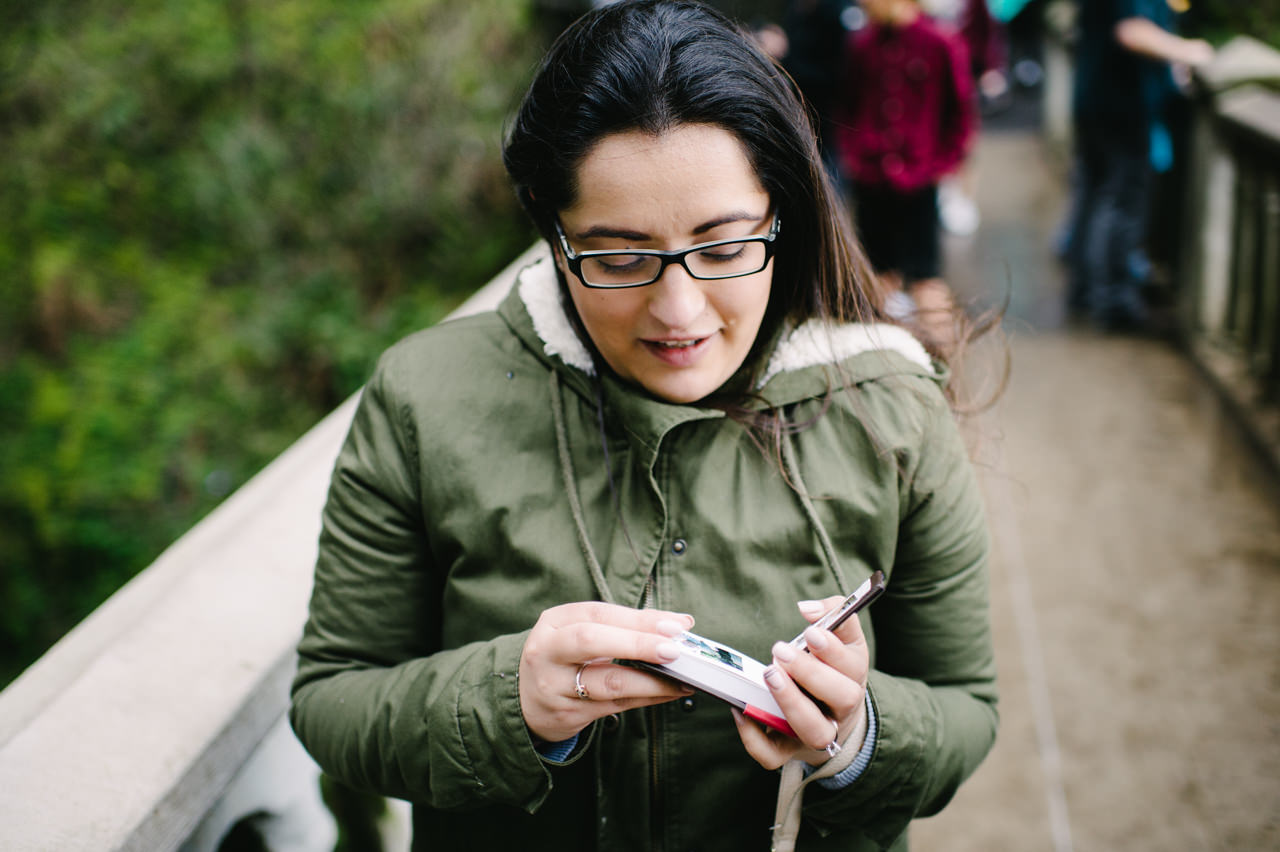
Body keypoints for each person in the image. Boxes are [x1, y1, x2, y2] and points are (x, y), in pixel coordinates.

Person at [289, 2, 997, 850]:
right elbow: (331, 698)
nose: (678, 310)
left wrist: (859, 735)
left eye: (725, 247)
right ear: (552, 233)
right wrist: (507, 700)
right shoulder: (426, 396)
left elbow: (966, 703)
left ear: (784, 213)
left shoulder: (892, 403)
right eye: (620, 256)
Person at [834, 0, 976, 349]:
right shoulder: (861, 44)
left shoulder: (940, 42)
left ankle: (943, 363)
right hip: (871, 178)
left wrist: (942, 163)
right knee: (877, 275)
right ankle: (885, 354)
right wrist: (855, 153)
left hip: (918, 178)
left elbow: (961, 110)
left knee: (926, 277)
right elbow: (848, 103)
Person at [1064, 0, 1213, 331]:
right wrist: (1189, 51)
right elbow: (1132, 31)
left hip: (1096, 98)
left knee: (1094, 195)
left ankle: (1085, 290)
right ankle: (1115, 302)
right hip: (1122, 105)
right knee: (1121, 202)